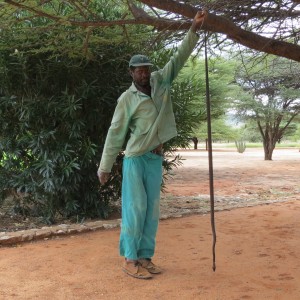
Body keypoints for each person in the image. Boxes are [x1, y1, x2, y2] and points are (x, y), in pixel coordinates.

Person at [97, 11, 206, 279]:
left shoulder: (161, 80)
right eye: (139, 70)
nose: (144, 73)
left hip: (155, 159)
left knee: (152, 211)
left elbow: (179, 57)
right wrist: (105, 167)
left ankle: (145, 257)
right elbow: (115, 133)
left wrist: (194, 29)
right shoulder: (127, 98)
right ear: (132, 73)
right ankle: (130, 259)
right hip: (135, 158)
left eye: (146, 68)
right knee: (135, 209)